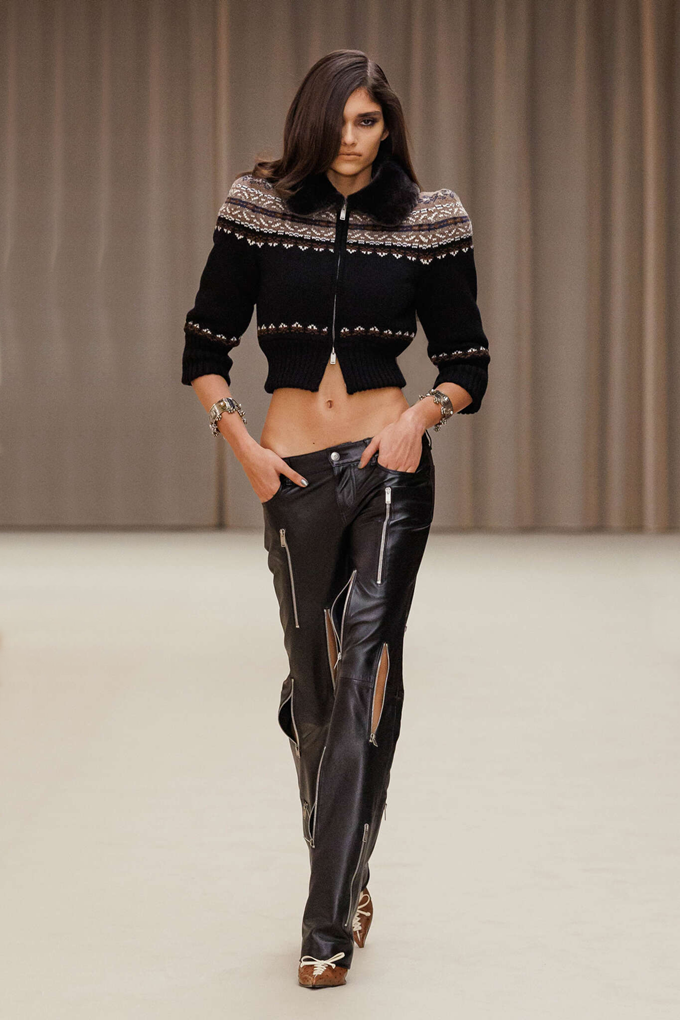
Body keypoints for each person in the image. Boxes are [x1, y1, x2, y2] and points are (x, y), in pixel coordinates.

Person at [181, 49, 490, 989]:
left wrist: (419, 418)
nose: (353, 140)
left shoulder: (430, 218)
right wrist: (242, 444)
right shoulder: (258, 206)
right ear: (309, 124)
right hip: (289, 475)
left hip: (388, 473)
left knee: (364, 675)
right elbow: (203, 346)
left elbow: (467, 361)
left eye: (369, 121)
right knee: (314, 699)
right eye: (339, 122)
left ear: (388, 126)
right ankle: (349, 873)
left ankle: (324, 930)